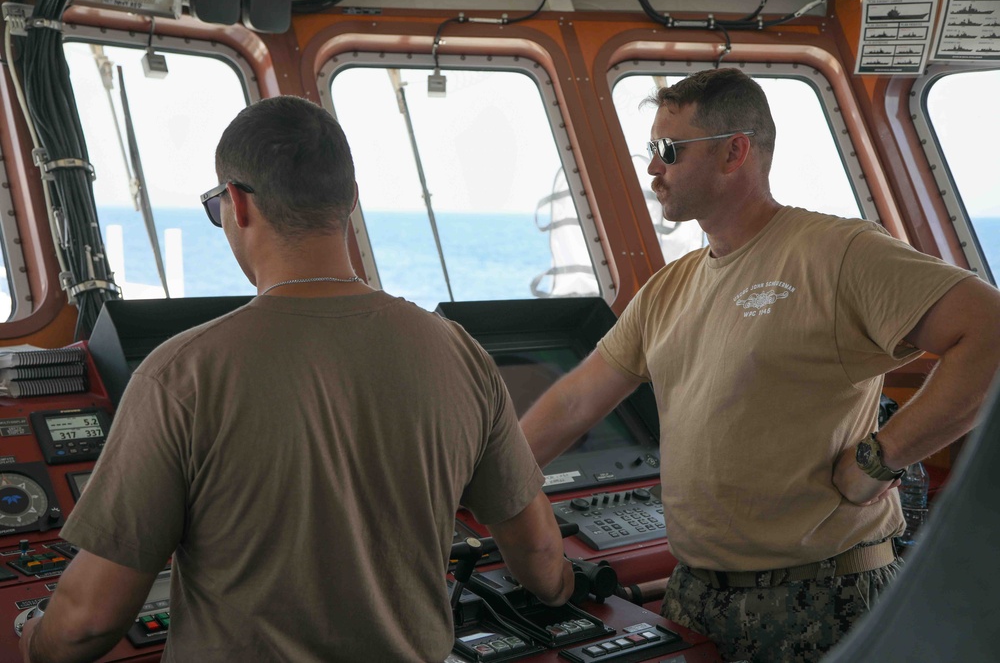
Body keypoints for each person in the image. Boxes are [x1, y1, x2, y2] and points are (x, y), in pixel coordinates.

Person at [20, 96, 574, 663]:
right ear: (350, 202)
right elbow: (540, 557)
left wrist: (31, 640)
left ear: (235, 204)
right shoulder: (460, 351)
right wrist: (568, 591)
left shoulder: (179, 373)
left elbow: (88, 623)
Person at [521, 68, 1000, 662]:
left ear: (734, 153)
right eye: (652, 150)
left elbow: (990, 334)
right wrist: (480, 483)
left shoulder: (837, 253)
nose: (653, 169)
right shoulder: (670, 287)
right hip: (698, 594)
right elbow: (575, 402)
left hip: (824, 594)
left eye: (669, 151)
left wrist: (881, 458)